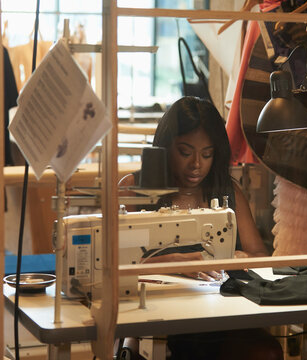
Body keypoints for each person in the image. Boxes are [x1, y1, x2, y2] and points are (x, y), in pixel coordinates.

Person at [118, 96, 283, 360]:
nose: (196, 164)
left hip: (217, 318)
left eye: (207, 154)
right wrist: (176, 262)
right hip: (156, 317)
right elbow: (114, 266)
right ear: (165, 147)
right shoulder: (136, 190)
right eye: (185, 152)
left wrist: (243, 258)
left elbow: (260, 258)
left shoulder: (227, 192)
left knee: (267, 352)